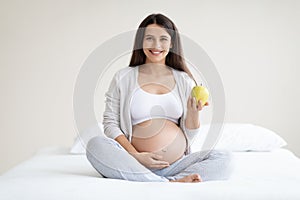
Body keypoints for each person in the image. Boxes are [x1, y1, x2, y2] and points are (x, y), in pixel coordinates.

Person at [86, 13, 233, 183]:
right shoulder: (123, 77)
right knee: (95, 145)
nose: (156, 45)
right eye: (149, 38)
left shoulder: (184, 80)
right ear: (141, 42)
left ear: (172, 44)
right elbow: (110, 123)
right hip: (134, 162)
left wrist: (194, 114)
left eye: (163, 39)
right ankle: (167, 182)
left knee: (225, 158)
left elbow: (189, 134)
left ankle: (160, 179)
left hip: (176, 164)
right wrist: (136, 156)